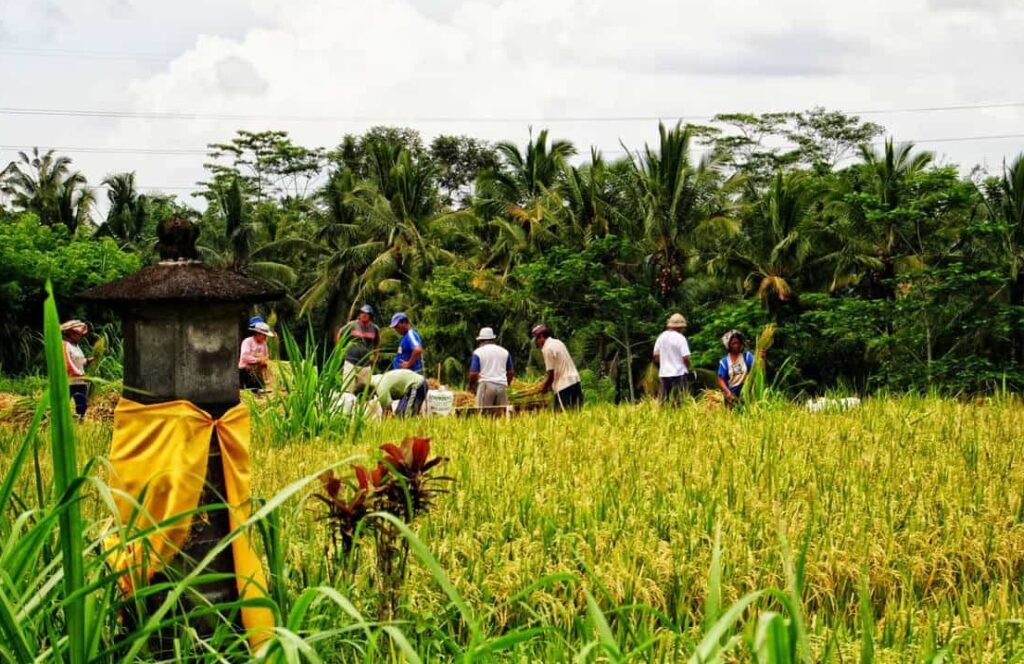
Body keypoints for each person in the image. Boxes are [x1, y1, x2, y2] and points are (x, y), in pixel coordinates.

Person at [531, 324, 583, 411]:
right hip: (575, 381)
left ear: (541, 336)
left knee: (562, 417)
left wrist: (543, 387)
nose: (537, 343)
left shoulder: (547, 349)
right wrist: (549, 386)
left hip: (564, 386)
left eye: (536, 339)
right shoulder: (558, 342)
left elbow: (551, 374)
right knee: (576, 414)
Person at [468, 327, 515, 413]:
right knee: (501, 415)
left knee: (483, 415)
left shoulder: (478, 352)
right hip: (502, 387)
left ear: (481, 341)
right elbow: (511, 372)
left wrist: (471, 386)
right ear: (493, 339)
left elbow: (473, 374)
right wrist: (506, 383)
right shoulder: (504, 351)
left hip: (486, 385)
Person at [337, 304, 381, 393]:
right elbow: (340, 333)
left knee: (363, 391)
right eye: (362, 313)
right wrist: (339, 349)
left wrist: (375, 358)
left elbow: (377, 345)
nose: (364, 315)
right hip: (350, 360)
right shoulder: (352, 325)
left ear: (370, 316)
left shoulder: (375, 328)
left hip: (365, 363)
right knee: (347, 388)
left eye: (366, 313)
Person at [653, 313, 692, 405]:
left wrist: (664, 363)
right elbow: (686, 358)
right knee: (679, 401)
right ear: (680, 327)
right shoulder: (680, 338)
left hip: (664, 373)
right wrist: (688, 367)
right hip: (679, 373)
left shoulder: (661, 337)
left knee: (662, 402)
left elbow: (655, 355)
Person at [61, 320, 92, 419]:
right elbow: (67, 363)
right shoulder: (65, 345)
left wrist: (87, 361)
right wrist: (79, 374)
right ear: (71, 334)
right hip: (69, 381)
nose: (80, 337)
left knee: (82, 404)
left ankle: (80, 421)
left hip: (79, 381)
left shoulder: (76, 346)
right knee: (63, 404)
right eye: (78, 335)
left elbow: (78, 360)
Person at [717, 330, 756, 407]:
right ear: (728, 345)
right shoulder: (724, 362)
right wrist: (728, 393)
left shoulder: (747, 357)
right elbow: (720, 379)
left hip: (747, 393)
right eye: (733, 343)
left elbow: (757, 367)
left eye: (738, 343)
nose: (736, 345)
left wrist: (761, 357)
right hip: (732, 395)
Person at [239, 320, 275, 392]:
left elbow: (266, 355)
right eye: (264, 335)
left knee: (261, 392)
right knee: (249, 393)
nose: (265, 337)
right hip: (246, 372)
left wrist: (265, 361)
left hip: (258, 373)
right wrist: (258, 360)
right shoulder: (248, 341)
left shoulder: (264, 344)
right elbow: (245, 357)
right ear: (257, 333)